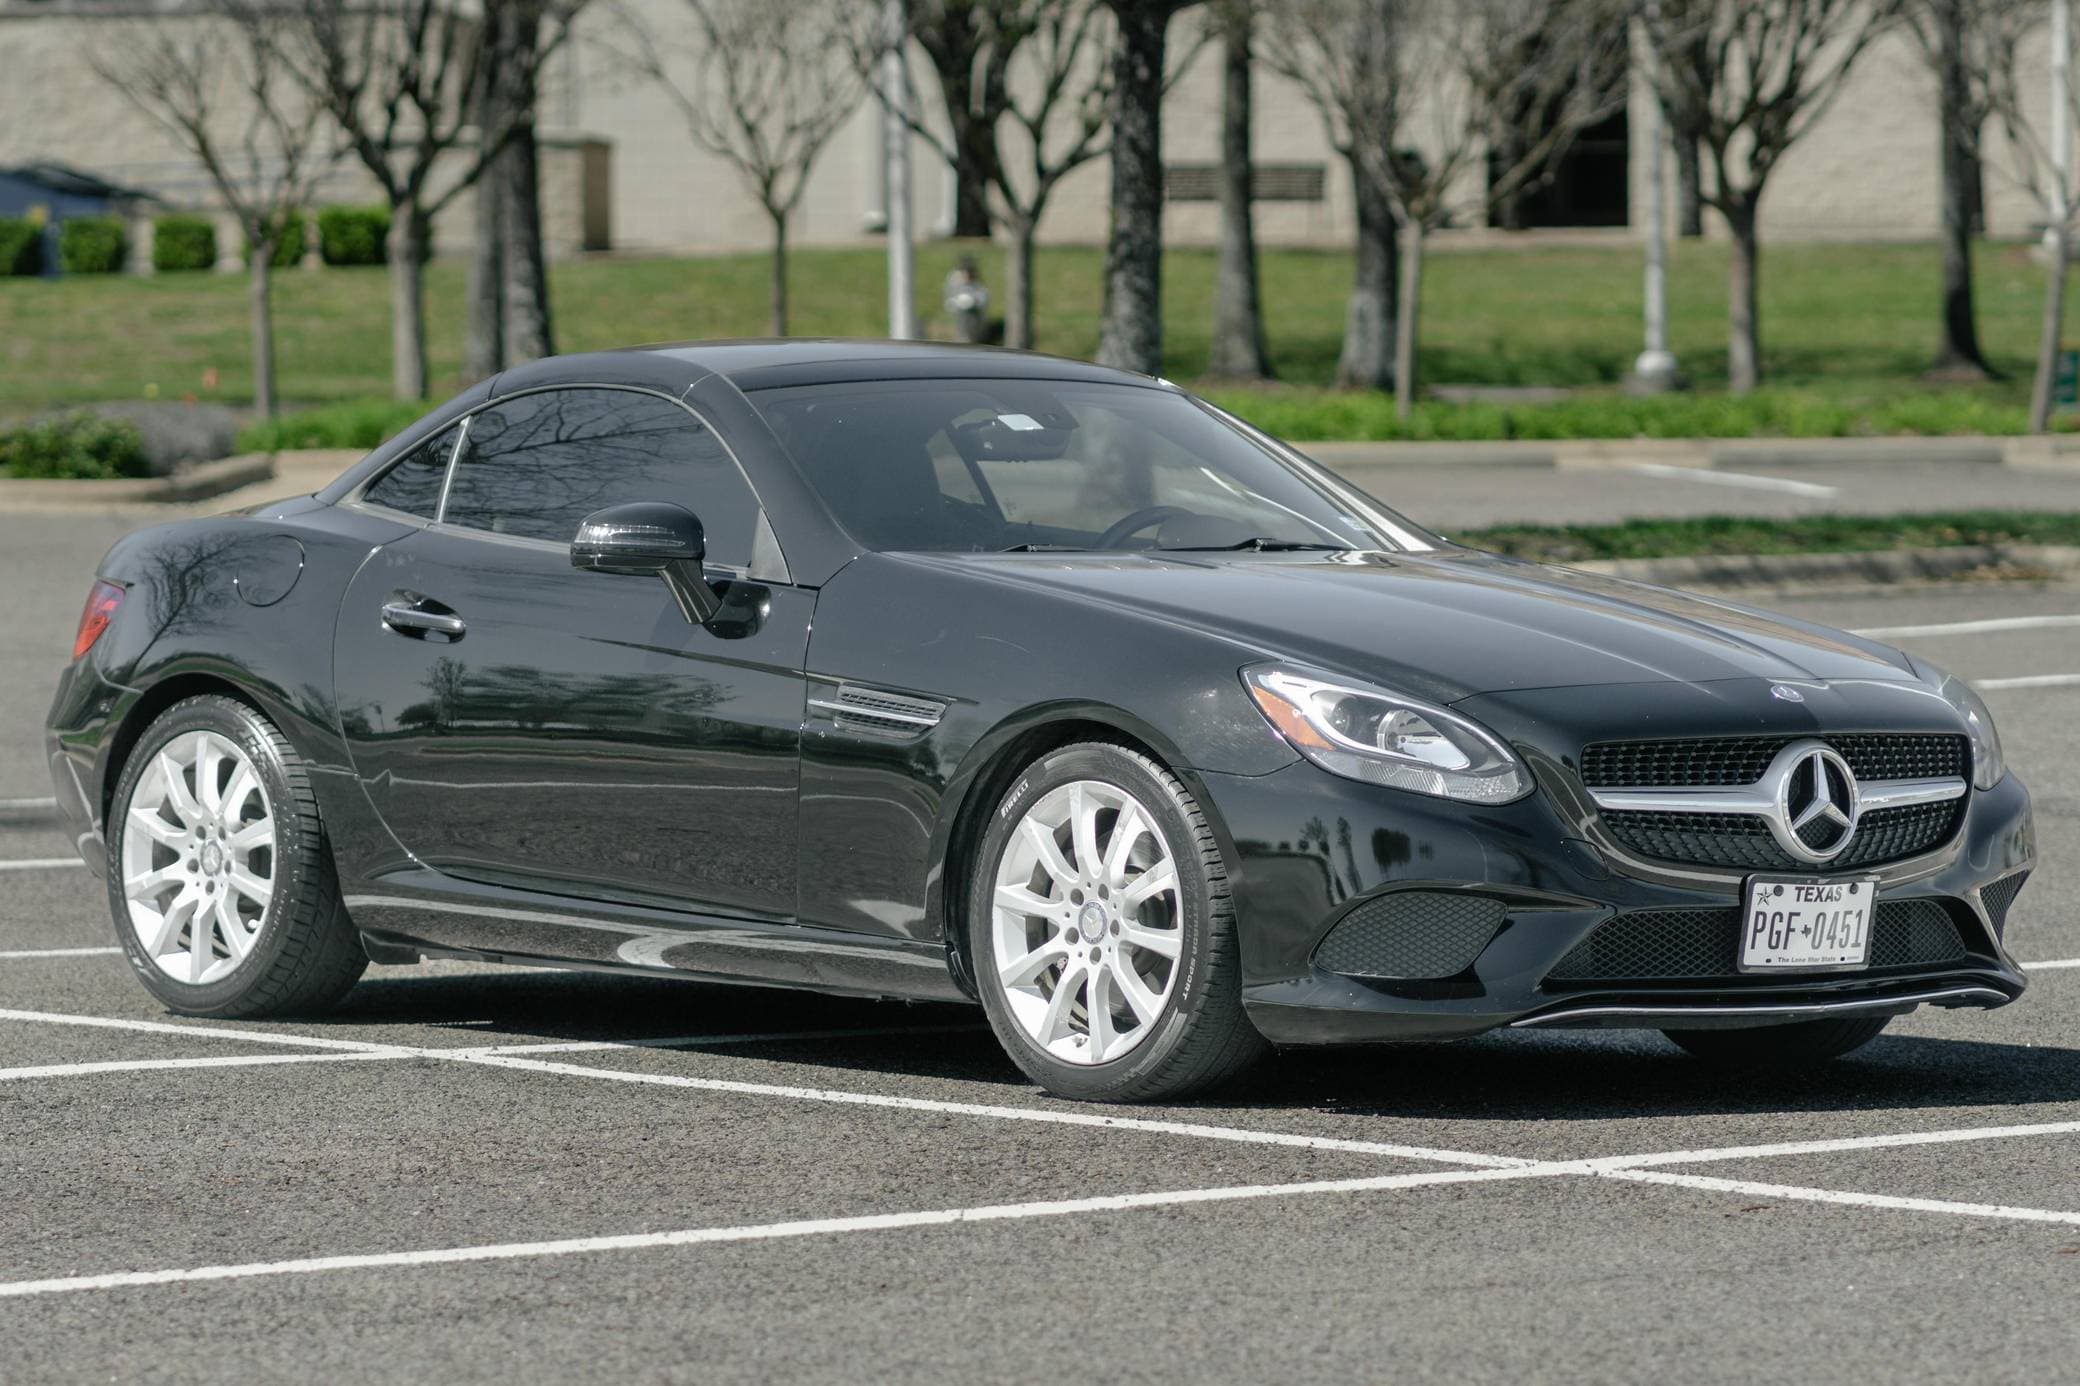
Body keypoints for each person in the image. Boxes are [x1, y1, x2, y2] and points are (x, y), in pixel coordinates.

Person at [943, 255, 992, 344]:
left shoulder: (978, 286)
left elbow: (983, 299)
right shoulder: (954, 283)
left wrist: (973, 302)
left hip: (975, 322)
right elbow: (949, 302)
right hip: (961, 321)